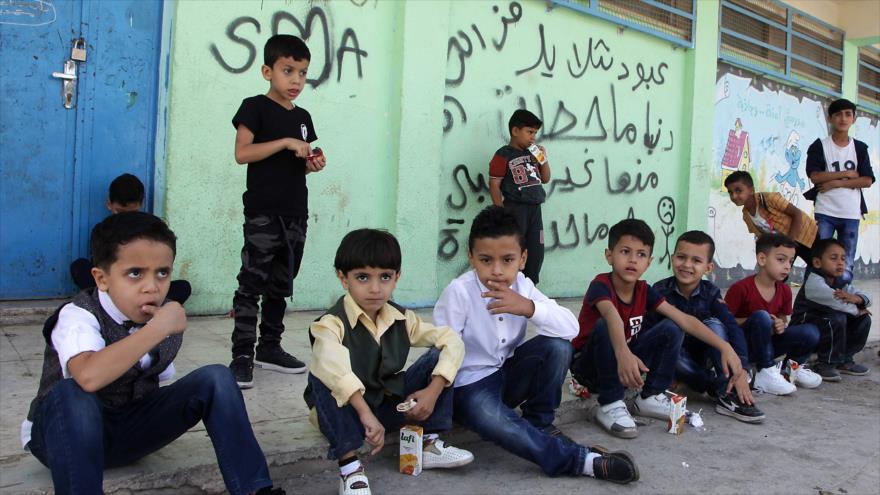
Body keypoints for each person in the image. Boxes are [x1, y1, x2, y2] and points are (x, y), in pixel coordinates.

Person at [22, 212, 282, 495]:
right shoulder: (78, 315)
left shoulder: (164, 316)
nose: (152, 286)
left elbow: (155, 380)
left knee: (216, 378)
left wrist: (159, 327)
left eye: (163, 273)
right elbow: (88, 376)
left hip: (128, 436)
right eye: (135, 273)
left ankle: (255, 490)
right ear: (101, 278)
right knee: (72, 394)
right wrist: (156, 329)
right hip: (60, 438)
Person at [434, 206, 639, 484]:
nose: (496, 270)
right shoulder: (459, 292)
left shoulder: (522, 285)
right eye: (485, 260)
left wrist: (529, 307)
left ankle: (540, 420)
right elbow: (442, 351)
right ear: (471, 257)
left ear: (522, 258)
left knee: (557, 347)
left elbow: (570, 328)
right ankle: (584, 461)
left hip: (506, 375)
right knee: (507, 428)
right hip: (469, 388)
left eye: (507, 260)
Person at [305, 229, 473, 495]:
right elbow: (332, 367)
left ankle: (428, 443)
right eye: (362, 277)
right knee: (321, 372)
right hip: (345, 413)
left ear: (397, 277)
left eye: (385, 277)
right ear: (343, 278)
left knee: (438, 355)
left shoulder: (401, 317)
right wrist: (364, 412)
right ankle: (350, 468)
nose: (375, 288)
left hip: (385, 407)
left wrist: (432, 392)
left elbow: (451, 340)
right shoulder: (330, 324)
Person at [570, 219, 743, 439]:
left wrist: (724, 346)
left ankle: (650, 395)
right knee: (604, 325)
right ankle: (610, 402)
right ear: (609, 255)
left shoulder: (644, 290)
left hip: (626, 361)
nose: (633, 260)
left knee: (672, 326)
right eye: (625, 251)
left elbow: (685, 319)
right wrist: (624, 354)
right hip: (590, 367)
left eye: (641, 254)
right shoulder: (601, 284)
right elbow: (612, 316)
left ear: (649, 262)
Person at [229, 34, 328, 388]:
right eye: (288, 71)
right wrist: (286, 142)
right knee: (252, 282)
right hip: (263, 211)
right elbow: (243, 153)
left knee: (281, 284)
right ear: (267, 71)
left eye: (302, 73)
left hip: (295, 212)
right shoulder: (254, 107)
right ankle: (242, 354)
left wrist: (311, 164)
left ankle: (269, 347)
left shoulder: (303, 117)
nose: (296, 80)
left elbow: (295, 165)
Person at [650, 231, 764, 423]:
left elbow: (732, 327)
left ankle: (727, 389)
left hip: (703, 354)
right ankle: (720, 388)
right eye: (681, 257)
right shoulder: (660, 291)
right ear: (672, 258)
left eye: (696, 260)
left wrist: (742, 366)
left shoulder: (711, 293)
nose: (686, 265)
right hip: (677, 358)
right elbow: (651, 334)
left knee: (715, 324)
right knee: (669, 338)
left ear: (708, 267)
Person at [70, 173, 191, 304]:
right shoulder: (103, 231)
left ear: (140, 204)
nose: (125, 218)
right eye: (120, 212)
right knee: (79, 267)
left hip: (142, 286)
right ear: (109, 204)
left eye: (131, 213)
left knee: (183, 287)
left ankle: (139, 305)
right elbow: (100, 266)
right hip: (114, 286)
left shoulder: (150, 229)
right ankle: (117, 304)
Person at [724, 234, 822, 395]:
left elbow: (784, 317)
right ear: (762, 259)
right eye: (781, 260)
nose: (787, 267)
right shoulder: (740, 288)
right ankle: (765, 371)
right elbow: (725, 323)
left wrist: (780, 324)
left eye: (790, 261)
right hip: (744, 346)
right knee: (762, 317)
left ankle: (791, 369)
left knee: (811, 332)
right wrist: (756, 321)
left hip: (769, 343)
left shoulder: (784, 290)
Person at [805, 98, 876, 284]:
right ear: (830, 119)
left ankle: (842, 300)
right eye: (837, 114)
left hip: (851, 213)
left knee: (847, 261)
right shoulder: (820, 146)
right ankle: (813, 301)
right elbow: (815, 176)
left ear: (853, 118)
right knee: (819, 258)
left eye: (848, 114)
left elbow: (867, 180)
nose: (843, 118)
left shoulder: (859, 148)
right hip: (825, 211)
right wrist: (847, 174)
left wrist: (835, 183)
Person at [791, 238, 872, 381]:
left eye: (843, 259)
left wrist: (858, 299)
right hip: (806, 331)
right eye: (833, 258)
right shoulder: (814, 283)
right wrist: (857, 309)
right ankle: (825, 364)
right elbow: (837, 302)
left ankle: (844, 359)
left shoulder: (840, 282)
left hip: (828, 329)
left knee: (864, 319)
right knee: (838, 317)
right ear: (817, 262)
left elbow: (868, 297)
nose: (840, 263)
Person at [488, 109, 551, 284]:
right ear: (515, 131)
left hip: (535, 209)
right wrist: (500, 211)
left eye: (535, 133)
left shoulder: (533, 154)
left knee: (536, 250)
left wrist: (543, 160)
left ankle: (530, 285)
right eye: (529, 132)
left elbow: (545, 178)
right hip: (515, 209)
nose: (533, 137)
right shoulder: (503, 154)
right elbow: (494, 184)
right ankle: (509, 285)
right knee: (513, 248)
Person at [724, 170, 818, 267]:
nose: (734, 196)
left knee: (819, 268)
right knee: (775, 272)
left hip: (807, 236)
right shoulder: (746, 216)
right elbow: (763, 237)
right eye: (730, 192)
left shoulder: (769, 198)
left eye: (738, 190)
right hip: (785, 244)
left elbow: (797, 214)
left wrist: (789, 243)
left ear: (751, 190)